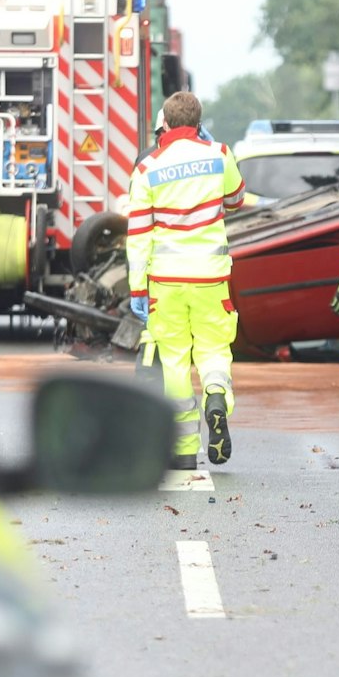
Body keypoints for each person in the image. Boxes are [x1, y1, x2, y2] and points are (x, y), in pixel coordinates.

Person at [126, 91, 247, 471]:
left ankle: (182, 450)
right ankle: (215, 396)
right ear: (198, 122)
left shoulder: (147, 169)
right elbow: (237, 199)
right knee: (213, 351)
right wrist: (214, 149)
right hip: (211, 277)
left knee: (175, 363)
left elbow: (138, 234)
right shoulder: (219, 154)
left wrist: (137, 287)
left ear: (165, 122)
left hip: (165, 282)